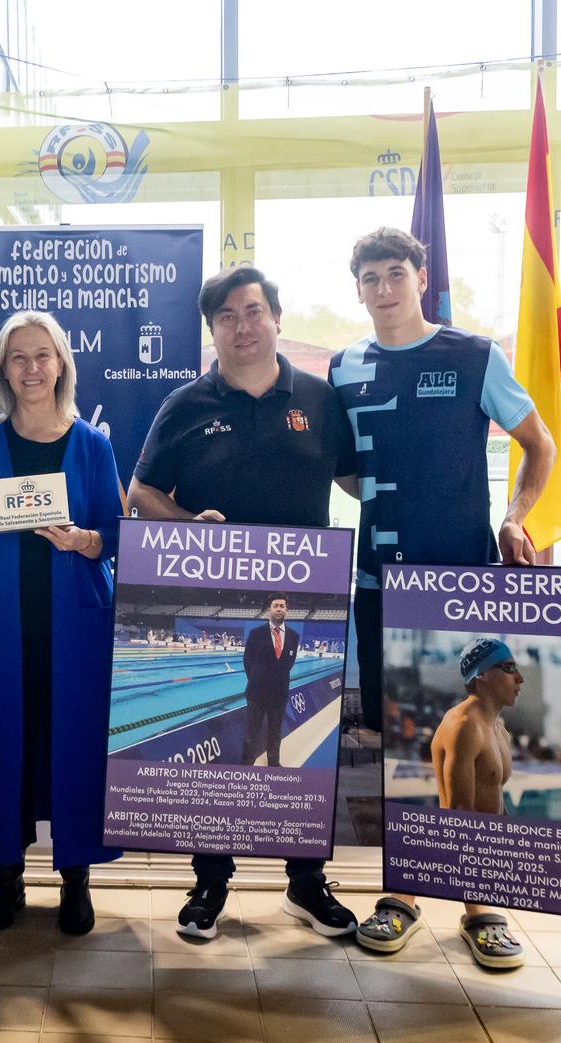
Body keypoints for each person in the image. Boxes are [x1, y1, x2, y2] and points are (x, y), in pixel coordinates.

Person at [328, 228, 555, 958]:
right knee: (402, 747)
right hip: (379, 584)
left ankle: (481, 903)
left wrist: (514, 519)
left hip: (462, 582)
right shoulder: (343, 367)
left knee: (474, 741)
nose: (384, 288)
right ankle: (402, 895)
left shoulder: (474, 355)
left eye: (397, 273)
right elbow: (347, 470)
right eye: (371, 277)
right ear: (358, 289)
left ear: (421, 278)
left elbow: (540, 445)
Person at [127, 265, 360, 940]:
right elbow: (140, 494)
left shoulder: (320, 399)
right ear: (213, 330)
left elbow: (359, 480)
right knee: (227, 740)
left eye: (253, 311)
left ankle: (306, 884)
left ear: (277, 318)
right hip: (218, 598)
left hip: (305, 597)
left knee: (306, 752)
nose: (242, 326)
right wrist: (186, 523)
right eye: (226, 317)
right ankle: (210, 881)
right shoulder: (186, 404)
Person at [0, 309, 122, 936]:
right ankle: (8, 876)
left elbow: (114, 534)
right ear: (1, 369)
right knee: (3, 745)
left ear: (61, 364)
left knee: (74, 745)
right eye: (18, 357)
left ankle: (77, 877)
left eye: (42, 355)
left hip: (75, 625)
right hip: (0, 625)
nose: (31, 368)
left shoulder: (92, 443)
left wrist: (82, 541)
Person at [425, 638, 525, 968]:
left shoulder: (498, 728)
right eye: (509, 668)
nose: (520, 678)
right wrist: (478, 904)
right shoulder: (463, 727)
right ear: (481, 675)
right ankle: (467, 911)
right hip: (460, 855)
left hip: (486, 854)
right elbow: (459, 816)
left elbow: (495, 796)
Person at [242, 594, 299, 767]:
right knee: (252, 732)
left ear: (287, 610)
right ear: (270, 609)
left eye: (282, 606)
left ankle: (274, 762)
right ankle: (246, 764)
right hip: (256, 692)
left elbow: (289, 663)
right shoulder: (256, 633)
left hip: (279, 693)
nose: (279, 609)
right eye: (276, 606)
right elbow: (247, 661)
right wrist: (257, 680)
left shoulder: (293, 636)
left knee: (275, 731)